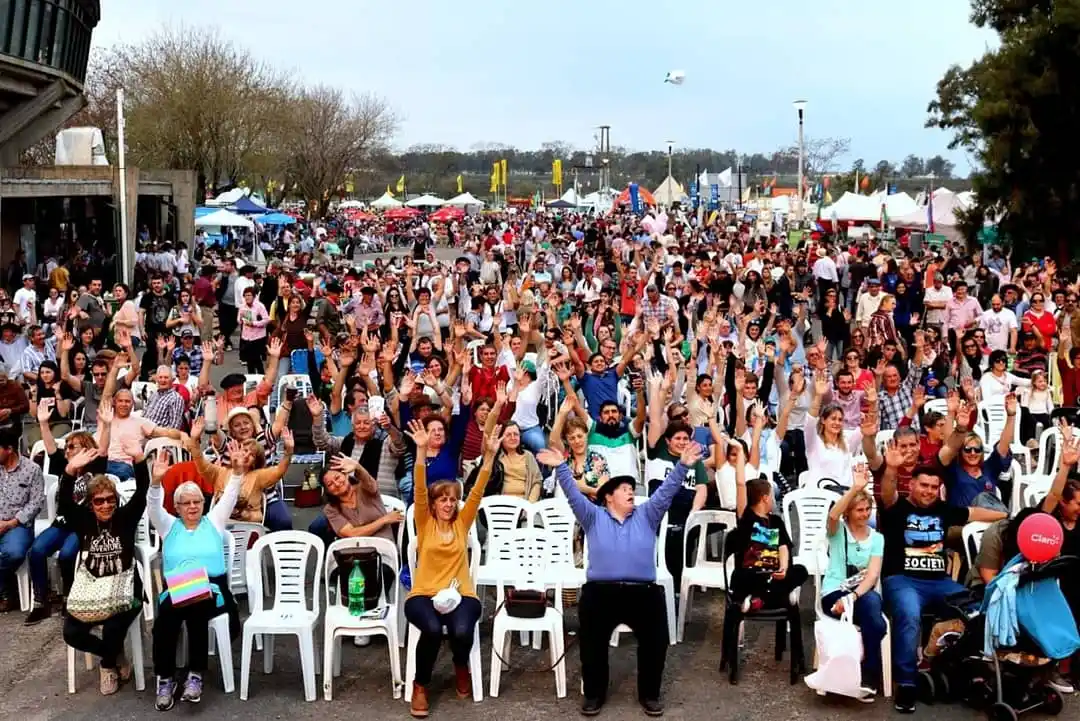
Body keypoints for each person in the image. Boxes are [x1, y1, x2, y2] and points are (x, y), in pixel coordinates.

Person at [537, 439, 700, 716]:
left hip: (643, 592)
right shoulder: (593, 516)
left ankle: (649, 694)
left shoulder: (647, 514)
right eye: (624, 489)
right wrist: (562, 468)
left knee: (656, 641)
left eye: (631, 489)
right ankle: (594, 694)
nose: (630, 493)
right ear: (608, 497)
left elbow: (667, 491)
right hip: (601, 592)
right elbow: (574, 496)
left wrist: (682, 466)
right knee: (591, 643)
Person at [879, 403, 1007, 713]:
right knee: (908, 615)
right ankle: (907, 684)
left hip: (939, 582)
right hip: (903, 581)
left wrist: (1007, 517)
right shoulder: (898, 508)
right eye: (923, 485)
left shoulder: (943, 508)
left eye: (933, 487)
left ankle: (968, 670)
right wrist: (892, 469)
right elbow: (886, 493)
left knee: (978, 607)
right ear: (913, 486)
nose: (928, 491)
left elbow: (975, 512)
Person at [405, 419, 496, 718]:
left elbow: (478, 491)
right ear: (433, 505)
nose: (448, 503)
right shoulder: (424, 521)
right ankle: (420, 686)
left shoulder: (462, 522)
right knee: (431, 628)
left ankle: (460, 665)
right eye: (443, 499)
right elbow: (419, 488)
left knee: (461, 629)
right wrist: (420, 452)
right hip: (423, 594)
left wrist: (490, 457)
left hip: (461, 595)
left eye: (452, 499)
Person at [148, 437, 243, 710]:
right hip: (176, 587)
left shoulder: (213, 521)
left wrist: (236, 472)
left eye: (197, 501)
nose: (192, 507)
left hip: (212, 588)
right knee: (165, 617)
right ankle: (165, 678)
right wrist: (156, 482)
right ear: (176, 508)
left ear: (204, 503)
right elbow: (153, 507)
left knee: (198, 608)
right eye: (186, 503)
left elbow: (230, 497)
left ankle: (195, 675)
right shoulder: (169, 526)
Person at [59, 440, 149, 695]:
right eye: (99, 501)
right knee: (71, 633)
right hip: (92, 589)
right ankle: (112, 653)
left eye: (110, 500)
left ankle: (107, 666)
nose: (106, 505)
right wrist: (69, 471)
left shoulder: (125, 519)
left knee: (113, 626)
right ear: (91, 504)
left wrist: (139, 461)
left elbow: (142, 491)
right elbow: (65, 502)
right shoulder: (83, 521)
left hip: (127, 591)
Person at [24, 400, 111, 624]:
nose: (67, 450)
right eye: (68, 447)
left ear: (86, 450)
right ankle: (41, 601)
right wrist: (43, 423)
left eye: (73, 446)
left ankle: (70, 599)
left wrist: (106, 426)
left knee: (68, 555)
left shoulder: (95, 468)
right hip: (61, 524)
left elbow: (103, 449)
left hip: (81, 526)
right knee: (36, 551)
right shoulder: (60, 467)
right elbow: (51, 447)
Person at [819, 465, 886, 701]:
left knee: (871, 606)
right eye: (859, 510)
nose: (865, 514)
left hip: (859, 595)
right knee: (876, 623)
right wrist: (855, 488)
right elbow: (832, 516)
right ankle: (869, 677)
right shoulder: (839, 532)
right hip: (834, 592)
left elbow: (872, 575)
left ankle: (866, 678)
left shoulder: (877, 538)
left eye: (868, 509)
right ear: (850, 512)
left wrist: (852, 598)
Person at [0, 429, 44, 611]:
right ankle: (4, 591)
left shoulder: (31, 470)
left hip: (17, 525)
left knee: (14, 552)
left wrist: (11, 523)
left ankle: (4, 592)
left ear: (9, 449)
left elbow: (36, 502)